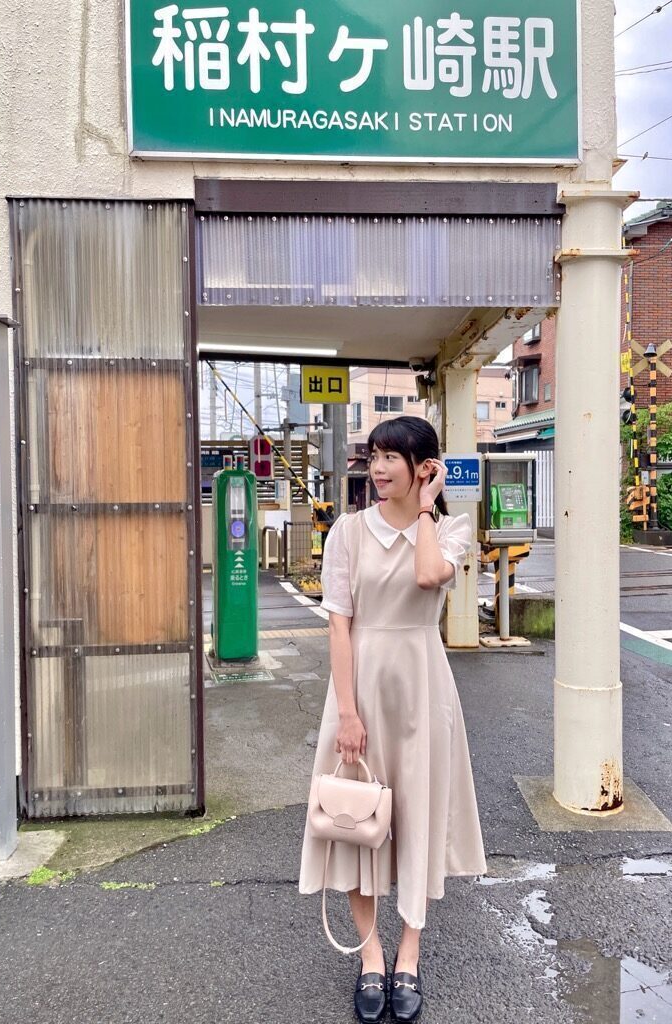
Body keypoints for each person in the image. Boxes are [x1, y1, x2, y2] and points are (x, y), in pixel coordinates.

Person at [298, 416, 488, 1023]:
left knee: (416, 815)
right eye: (374, 456)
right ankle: (371, 956)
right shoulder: (349, 532)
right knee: (357, 817)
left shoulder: (451, 530)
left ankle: (409, 953)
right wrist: (347, 712)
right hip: (361, 689)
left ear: (424, 468)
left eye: (391, 457)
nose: (377, 469)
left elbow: (429, 576)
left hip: (423, 688)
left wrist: (427, 510)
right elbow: (339, 624)